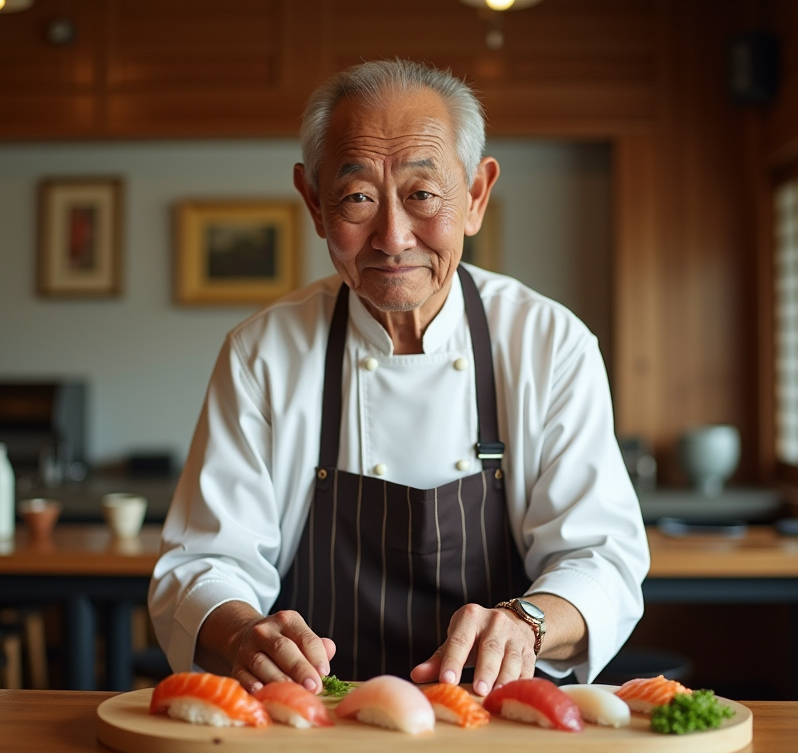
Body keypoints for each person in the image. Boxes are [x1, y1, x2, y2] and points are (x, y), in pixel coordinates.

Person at [149, 58, 649, 698]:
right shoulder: (263, 352)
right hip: (314, 717)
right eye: (357, 197)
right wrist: (247, 632)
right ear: (313, 201)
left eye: (423, 194)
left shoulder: (550, 344)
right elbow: (204, 561)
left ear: (475, 196)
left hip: (498, 716)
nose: (391, 236)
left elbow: (601, 558)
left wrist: (526, 622)